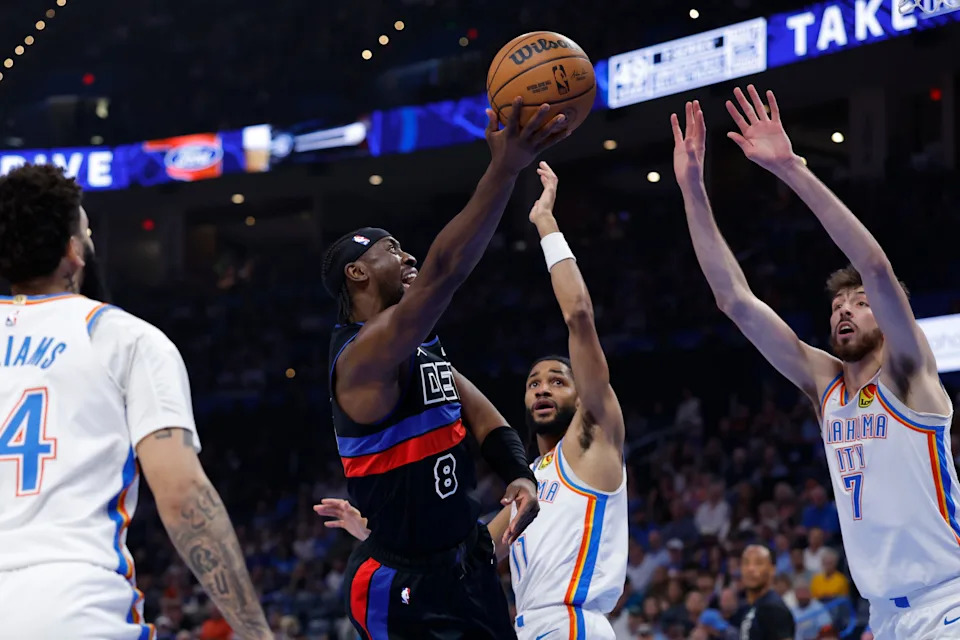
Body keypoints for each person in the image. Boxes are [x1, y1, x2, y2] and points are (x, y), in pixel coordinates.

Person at [673, 87, 960, 639]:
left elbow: (874, 265)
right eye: (836, 305)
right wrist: (692, 191)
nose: (845, 311)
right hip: (885, 613)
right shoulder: (823, 383)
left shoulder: (908, 369)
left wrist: (790, 169)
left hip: (946, 600)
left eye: (859, 304)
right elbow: (734, 300)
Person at [318, 162, 628, 639]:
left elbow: (484, 417)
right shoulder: (361, 360)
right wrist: (506, 165)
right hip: (403, 582)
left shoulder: (589, 440)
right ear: (357, 272)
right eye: (391, 249)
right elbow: (444, 271)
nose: (407, 257)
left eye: (556, 381)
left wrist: (519, 473)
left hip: (475, 579)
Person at [0, 164, 270, 637]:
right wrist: (256, 632)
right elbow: (184, 494)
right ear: (74, 252)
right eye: (85, 231)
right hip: (77, 608)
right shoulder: (126, 338)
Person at [737, 545, 797, 640]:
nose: (751, 569)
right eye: (746, 563)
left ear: (772, 570)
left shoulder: (773, 607)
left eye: (758, 563)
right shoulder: (752, 606)